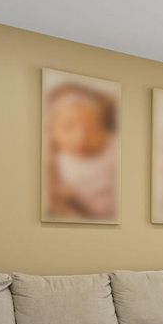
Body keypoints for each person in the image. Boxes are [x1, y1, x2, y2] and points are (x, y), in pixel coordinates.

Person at [45, 83, 118, 221]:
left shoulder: (113, 149)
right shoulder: (56, 162)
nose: (81, 137)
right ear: (52, 131)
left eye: (91, 128)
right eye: (68, 128)